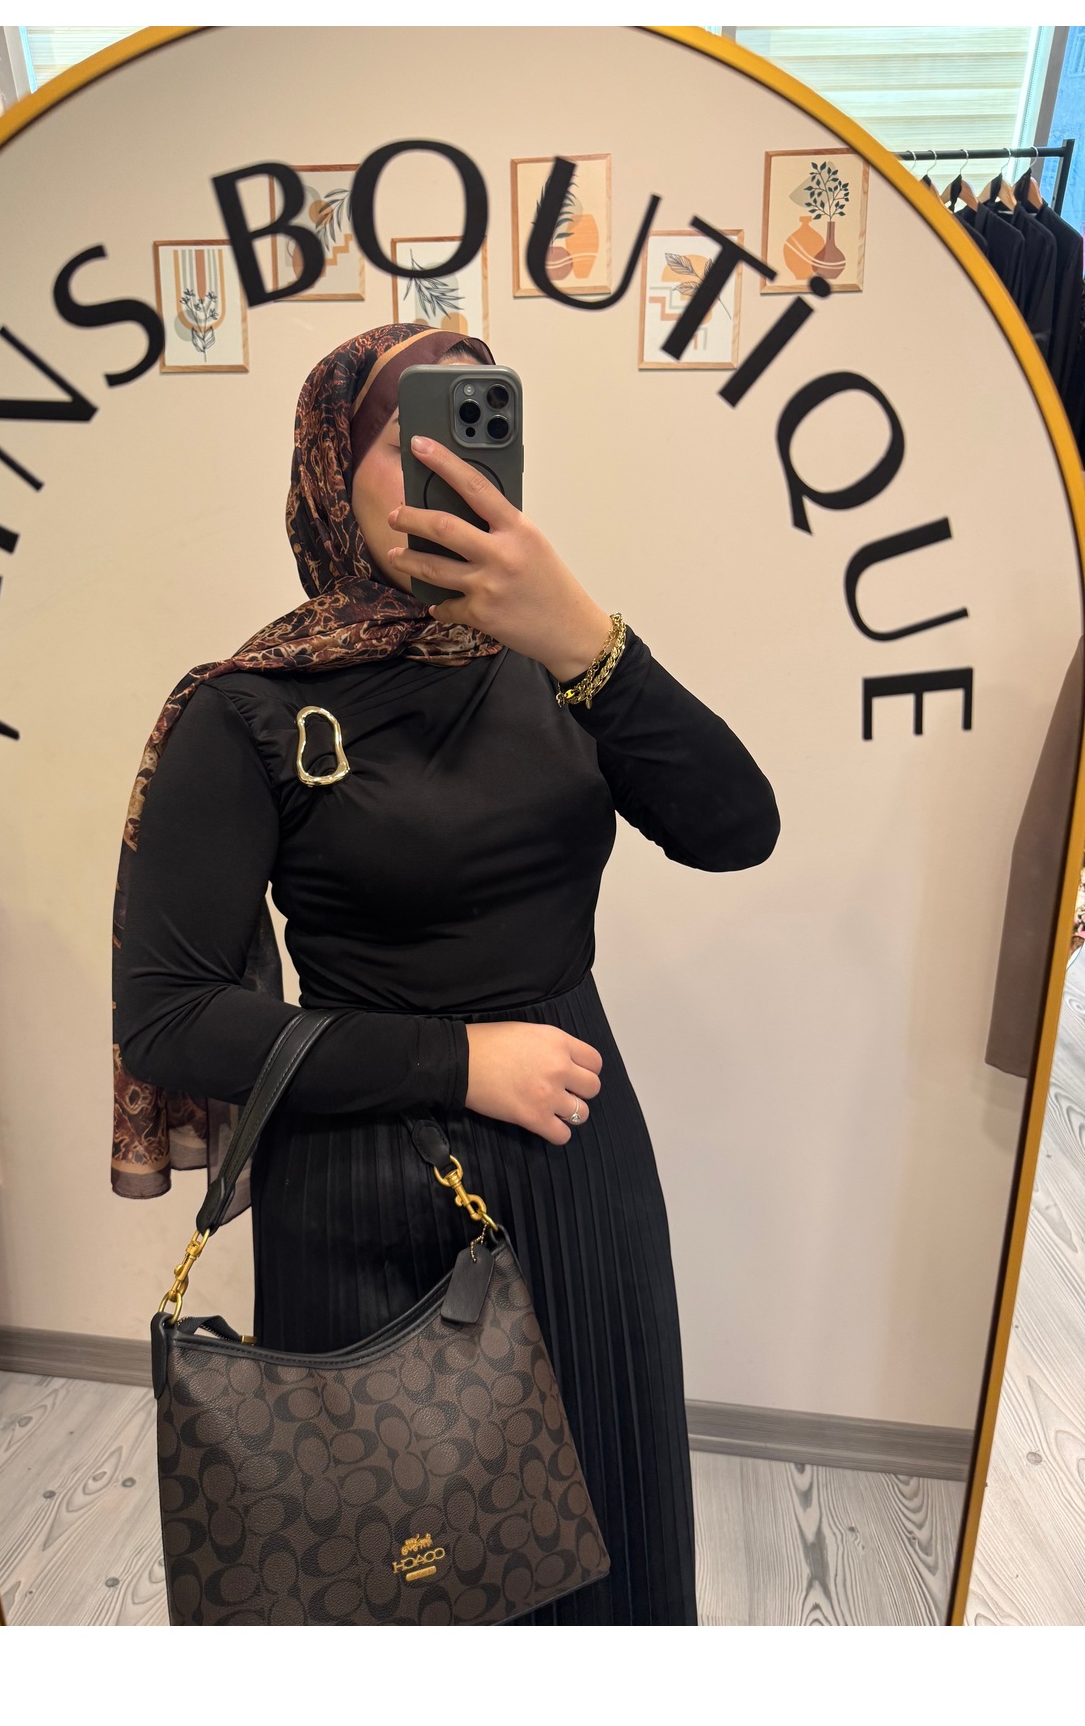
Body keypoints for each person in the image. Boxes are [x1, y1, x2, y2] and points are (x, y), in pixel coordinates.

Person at [112, 321, 780, 1626]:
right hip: (364, 1185)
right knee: (402, 1572)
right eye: (404, 436)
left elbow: (735, 827)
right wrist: (458, 1061)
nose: (443, 465)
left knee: (607, 1521)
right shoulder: (249, 708)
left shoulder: (559, 665)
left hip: (576, 1156)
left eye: (470, 427)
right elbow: (171, 1018)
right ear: (327, 469)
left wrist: (591, 642)